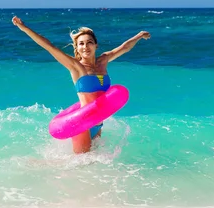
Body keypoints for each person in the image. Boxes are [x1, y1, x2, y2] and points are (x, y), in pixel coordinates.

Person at [12, 16, 150, 154]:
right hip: (82, 123)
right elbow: (49, 46)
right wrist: (24, 28)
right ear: (77, 48)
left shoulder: (103, 60)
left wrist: (139, 36)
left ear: (96, 45)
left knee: (93, 165)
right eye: (81, 44)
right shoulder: (76, 67)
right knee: (82, 165)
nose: (85, 47)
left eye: (89, 42)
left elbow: (124, 48)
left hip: (98, 122)